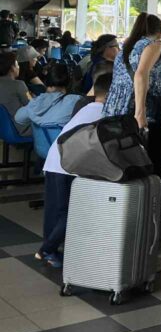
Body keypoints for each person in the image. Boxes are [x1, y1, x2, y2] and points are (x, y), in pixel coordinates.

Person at [36, 72, 111, 269]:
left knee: (55, 210)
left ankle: (50, 251)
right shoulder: (106, 113)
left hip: (55, 160)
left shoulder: (86, 107)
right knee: (70, 212)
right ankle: (47, 249)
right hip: (69, 165)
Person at [103, 13, 161, 204]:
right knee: (153, 162)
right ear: (159, 33)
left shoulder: (126, 47)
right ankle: (153, 211)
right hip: (141, 109)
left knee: (123, 162)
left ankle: (123, 207)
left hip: (115, 111)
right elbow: (140, 76)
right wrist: (140, 114)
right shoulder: (155, 45)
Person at [15, 63, 81, 130]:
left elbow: (18, 118)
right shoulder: (76, 102)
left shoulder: (36, 103)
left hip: (43, 140)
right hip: (64, 139)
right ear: (70, 81)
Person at [0, 51, 32, 135]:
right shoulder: (18, 85)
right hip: (22, 129)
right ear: (12, 68)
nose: (19, 67)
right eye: (17, 64)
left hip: (3, 130)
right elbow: (32, 106)